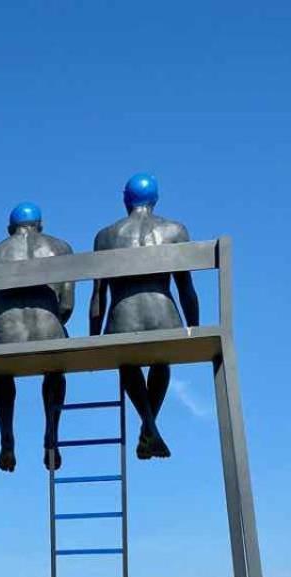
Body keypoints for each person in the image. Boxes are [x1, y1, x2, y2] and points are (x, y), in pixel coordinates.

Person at [89, 172, 200, 459]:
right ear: (155, 199)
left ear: (126, 200)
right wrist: (193, 328)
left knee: (127, 362)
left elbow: (98, 294)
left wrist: (92, 337)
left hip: (122, 322)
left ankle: (149, 426)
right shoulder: (175, 230)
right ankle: (149, 428)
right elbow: (186, 287)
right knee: (161, 361)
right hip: (166, 319)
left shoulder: (105, 236)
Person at [0, 202, 74, 472]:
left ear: (10, 229)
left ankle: (6, 436)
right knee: (55, 370)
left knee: (2, 371)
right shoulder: (60, 248)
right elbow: (66, 306)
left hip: (6, 335)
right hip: (50, 331)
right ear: (40, 226)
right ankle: (51, 433)